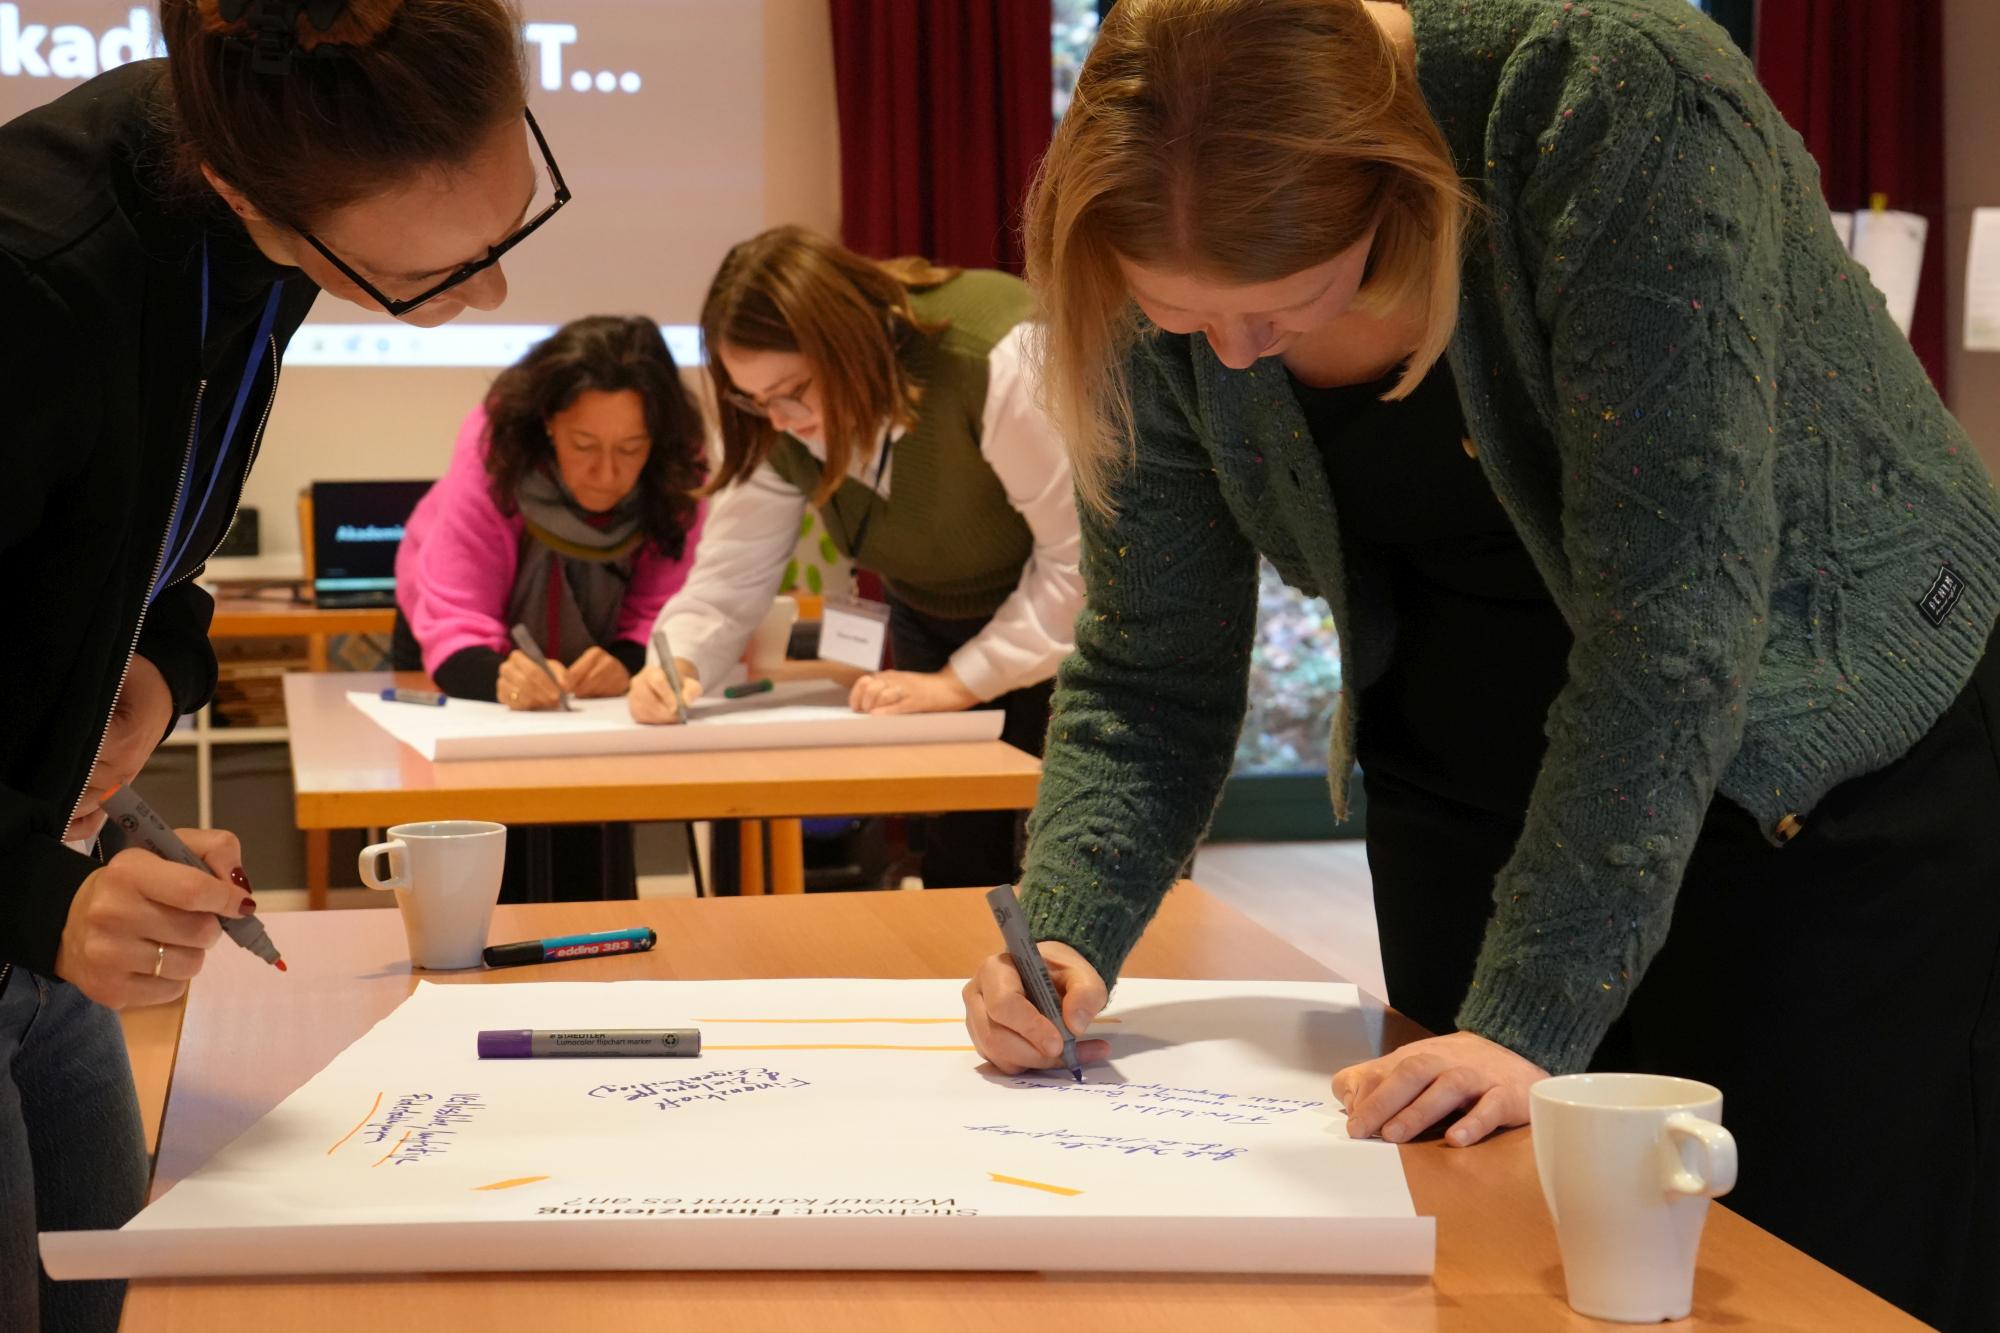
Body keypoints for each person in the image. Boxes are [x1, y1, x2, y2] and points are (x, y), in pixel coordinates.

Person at [957, 2, 2000, 1329]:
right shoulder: (1148, 228)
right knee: (1496, 1262)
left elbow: (1672, 625)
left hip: (1809, 757)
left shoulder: (1608, 100)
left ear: (1402, 193)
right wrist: (1069, 929)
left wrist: (1530, 1018)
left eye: (1279, 305)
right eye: (1179, 316)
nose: (1230, 356)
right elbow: (1150, 662)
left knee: (1801, 1272)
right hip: (1473, 769)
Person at [0, 1, 556, 1326]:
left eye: (511, 224)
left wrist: (154, 664)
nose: (491, 294)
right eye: (441, 274)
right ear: (259, 193)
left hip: (39, 916)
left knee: (111, 1292)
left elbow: (139, 532)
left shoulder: (240, 215)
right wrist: (31, 894)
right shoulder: (33, 276)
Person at [630, 226, 1083, 889]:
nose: (777, 420)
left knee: (1074, 861)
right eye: (753, 400)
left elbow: (1082, 566)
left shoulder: (990, 353)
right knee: (959, 865)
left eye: (793, 391)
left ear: (851, 343)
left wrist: (960, 684)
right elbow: (729, 576)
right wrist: (678, 662)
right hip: (933, 615)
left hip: (1083, 627)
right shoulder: (772, 416)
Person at [392, 315, 706, 899]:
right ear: (547, 424)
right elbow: (456, 617)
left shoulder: (680, 467)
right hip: (458, 645)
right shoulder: (495, 453)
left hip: (594, 672)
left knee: (594, 848)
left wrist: (625, 658)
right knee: (482, 861)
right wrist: (500, 676)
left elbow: (664, 605)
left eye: (630, 449)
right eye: (584, 446)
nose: (607, 474)